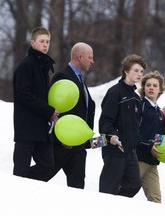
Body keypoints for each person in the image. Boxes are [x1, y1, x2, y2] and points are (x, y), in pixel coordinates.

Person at [45, 42, 96, 189]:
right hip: (64, 143)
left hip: (78, 145)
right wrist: (64, 136)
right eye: (90, 57)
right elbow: (56, 108)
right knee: (42, 175)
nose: (92, 61)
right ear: (80, 57)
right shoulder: (63, 76)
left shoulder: (80, 79)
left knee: (77, 186)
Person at [12, 27, 60, 181]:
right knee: (20, 169)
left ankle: (25, 185)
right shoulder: (26, 65)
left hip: (41, 128)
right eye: (42, 41)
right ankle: (19, 187)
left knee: (47, 166)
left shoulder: (43, 67)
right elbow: (24, 95)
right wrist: (49, 111)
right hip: (26, 128)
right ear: (32, 43)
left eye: (48, 42)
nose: (45, 45)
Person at [99, 54, 147, 197]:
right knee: (108, 189)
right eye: (136, 70)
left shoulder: (136, 97)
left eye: (141, 71)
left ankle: (116, 206)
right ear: (126, 71)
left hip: (130, 151)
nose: (139, 74)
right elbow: (105, 121)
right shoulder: (115, 92)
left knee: (134, 185)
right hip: (115, 150)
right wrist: (111, 136)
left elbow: (136, 124)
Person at [137, 70, 165, 203]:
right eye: (148, 85)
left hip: (152, 163)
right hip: (137, 159)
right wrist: (148, 146)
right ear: (143, 88)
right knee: (126, 191)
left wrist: (158, 146)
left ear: (160, 89)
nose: (151, 88)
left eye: (155, 85)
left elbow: (160, 135)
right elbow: (133, 132)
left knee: (156, 199)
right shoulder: (140, 106)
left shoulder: (160, 112)